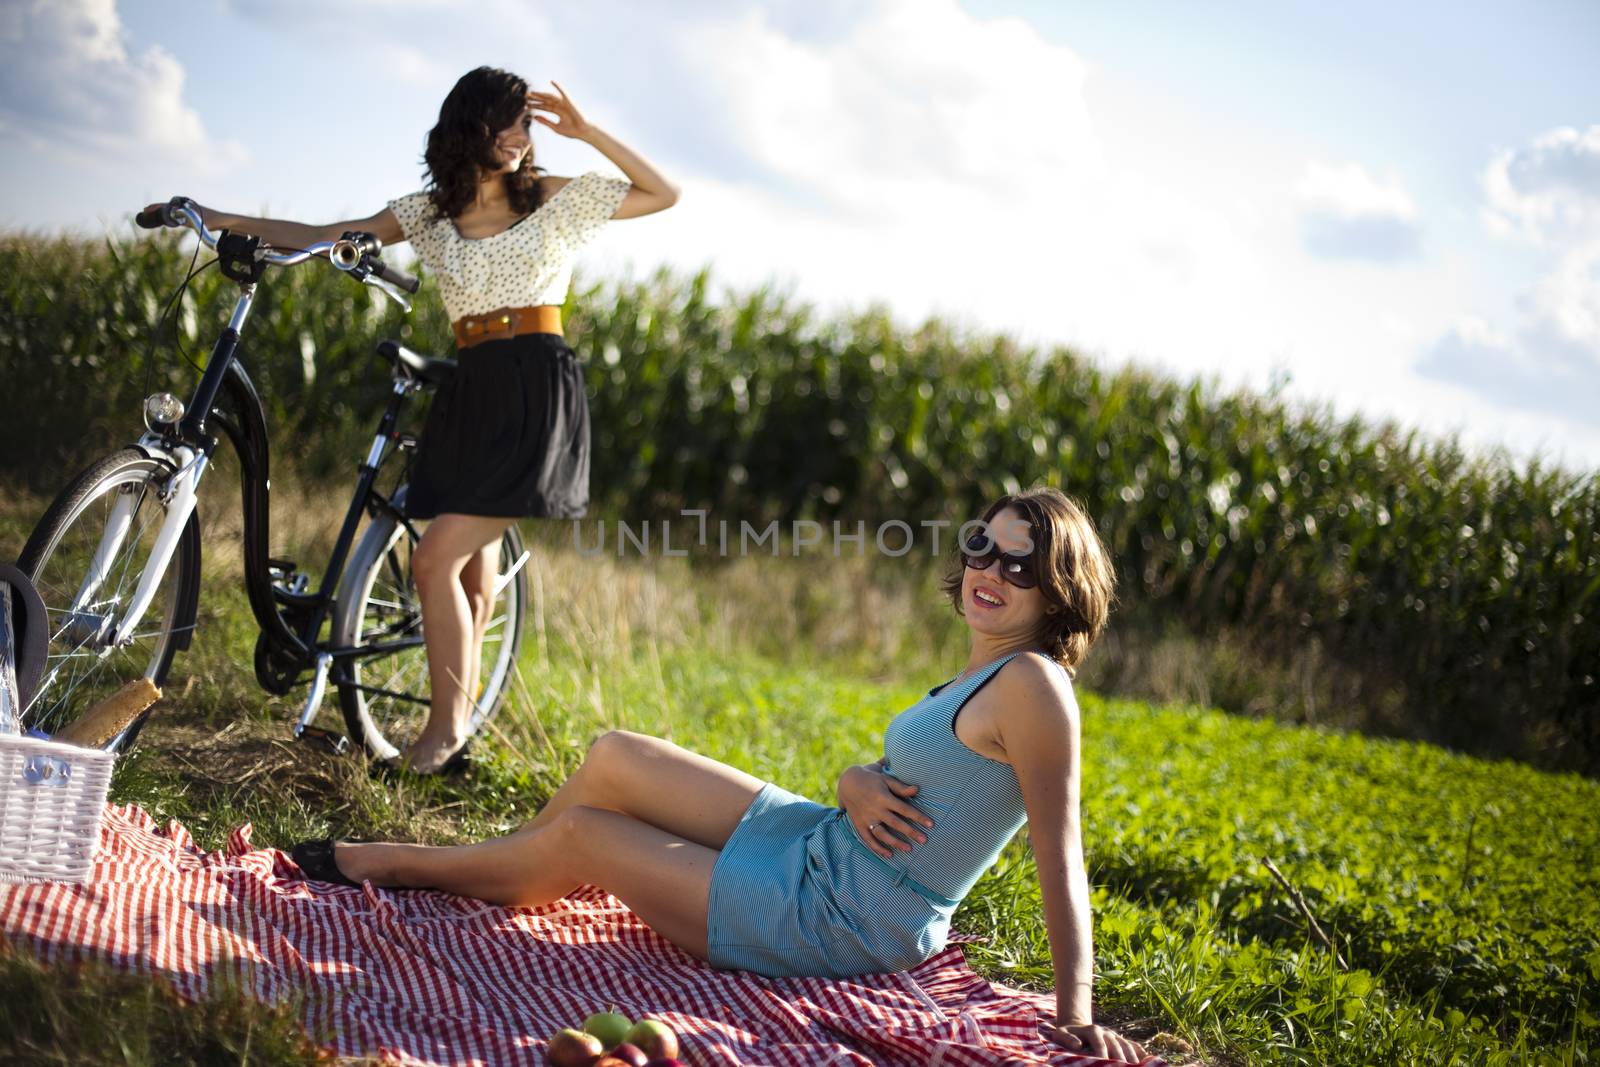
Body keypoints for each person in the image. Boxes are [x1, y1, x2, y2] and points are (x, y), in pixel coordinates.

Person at [291, 487, 1150, 1063]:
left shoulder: (1037, 686)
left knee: (590, 835)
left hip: (839, 917)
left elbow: (1060, 850)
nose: (990, 572)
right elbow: (932, 777)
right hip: (822, 843)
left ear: (1058, 590)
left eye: (1020, 564)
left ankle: (400, 862)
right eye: (982, 548)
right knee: (614, 754)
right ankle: (514, 860)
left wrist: (1076, 1013)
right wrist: (855, 778)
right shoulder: (984, 672)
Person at [150, 68, 679, 772]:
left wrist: (586, 133)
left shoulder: (548, 198)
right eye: (512, 121)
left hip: (535, 386)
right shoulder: (430, 213)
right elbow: (320, 233)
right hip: (471, 389)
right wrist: (214, 219)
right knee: (465, 574)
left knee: (434, 559)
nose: (526, 136)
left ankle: (442, 732)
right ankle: (462, 721)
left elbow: (662, 194)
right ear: (474, 127)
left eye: (531, 123)